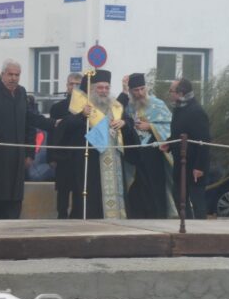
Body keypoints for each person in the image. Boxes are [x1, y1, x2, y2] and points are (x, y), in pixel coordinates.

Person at [0, 59, 55, 219]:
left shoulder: (21, 92)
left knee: (15, 199)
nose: (13, 78)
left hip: (17, 156)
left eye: (17, 75)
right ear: (3, 74)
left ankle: (12, 224)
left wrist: (52, 124)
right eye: (10, 74)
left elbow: (29, 119)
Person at [55, 70, 139, 219]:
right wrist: (82, 116)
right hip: (89, 162)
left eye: (107, 88)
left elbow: (129, 125)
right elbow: (64, 127)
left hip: (114, 161)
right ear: (92, 89)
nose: (104, 91)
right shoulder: (82, 106)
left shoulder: (116, 107)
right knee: (90, 196)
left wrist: (124, 123)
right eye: (100, 87)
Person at [118, 73, 176, 219]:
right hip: (135, 154)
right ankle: (138, 215)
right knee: (137, 187)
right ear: (130, 91)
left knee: (155, 186)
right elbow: (117, 114)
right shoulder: (128, 106)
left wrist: (150, 126)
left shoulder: (158, 104)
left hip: (153, 153)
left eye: (142, 88)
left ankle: (159, 215)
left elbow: (170, 126)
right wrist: (123, 90)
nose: (140, 93)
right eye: (136, 90)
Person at [162, 78, 210, 219]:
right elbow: (179, 133)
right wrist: (169, 143)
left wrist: (199, 167)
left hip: (194, 165)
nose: (170, 94)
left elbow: (204, 141)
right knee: (178, 196)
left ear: (181, 93)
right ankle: (187, 223)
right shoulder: (179, 108)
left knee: (197, 200)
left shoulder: (196, 111)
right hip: (181, 164)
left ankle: (200, 229)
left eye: (171, 91)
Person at [48, 72, 82, 218]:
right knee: (63, 188)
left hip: (80, 153)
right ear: (67, 85)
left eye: (77, 84)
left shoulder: (86, 106)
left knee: (79, 188)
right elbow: (51, 133)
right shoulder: (57, 107)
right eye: (71, 84)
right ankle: (61, 215)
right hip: (62, 154)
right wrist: (51, 156)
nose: (74, 87)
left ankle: (76, 216)